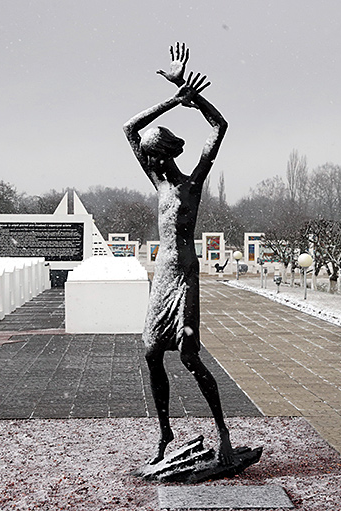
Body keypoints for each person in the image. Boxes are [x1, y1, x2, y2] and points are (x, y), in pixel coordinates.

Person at [123, 43, 233, 465]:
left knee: (188, 356)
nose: (151, 161)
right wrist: (173, 96)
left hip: (185, 276)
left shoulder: (191, 184)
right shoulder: (160, 185)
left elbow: (219, 126)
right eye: (149, 157)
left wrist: (194, 94)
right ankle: (166, 432)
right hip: (162, 277)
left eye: (155, 155)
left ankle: (222, 431)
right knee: (152, 353)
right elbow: (129, 129)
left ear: (167, 154)